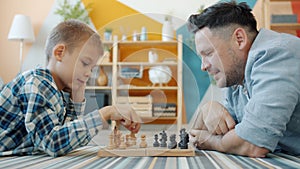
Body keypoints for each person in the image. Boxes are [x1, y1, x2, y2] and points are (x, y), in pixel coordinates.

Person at [0, 20, 141, 157]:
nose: (89, 73)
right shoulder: (38, 83)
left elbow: (68, 139)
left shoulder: (59, 90)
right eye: (85, 63)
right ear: (60, 53)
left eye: (92, 68)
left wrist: (77, 97)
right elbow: (53, 143)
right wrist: (106, 112)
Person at [188, 1, 300, 157]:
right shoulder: (236, 75)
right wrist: (207, 109)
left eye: (208, 53)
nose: (203, 66)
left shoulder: (277, 54)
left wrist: (211, 142)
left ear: (239, 39)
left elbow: (252, 143)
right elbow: (226, 132)